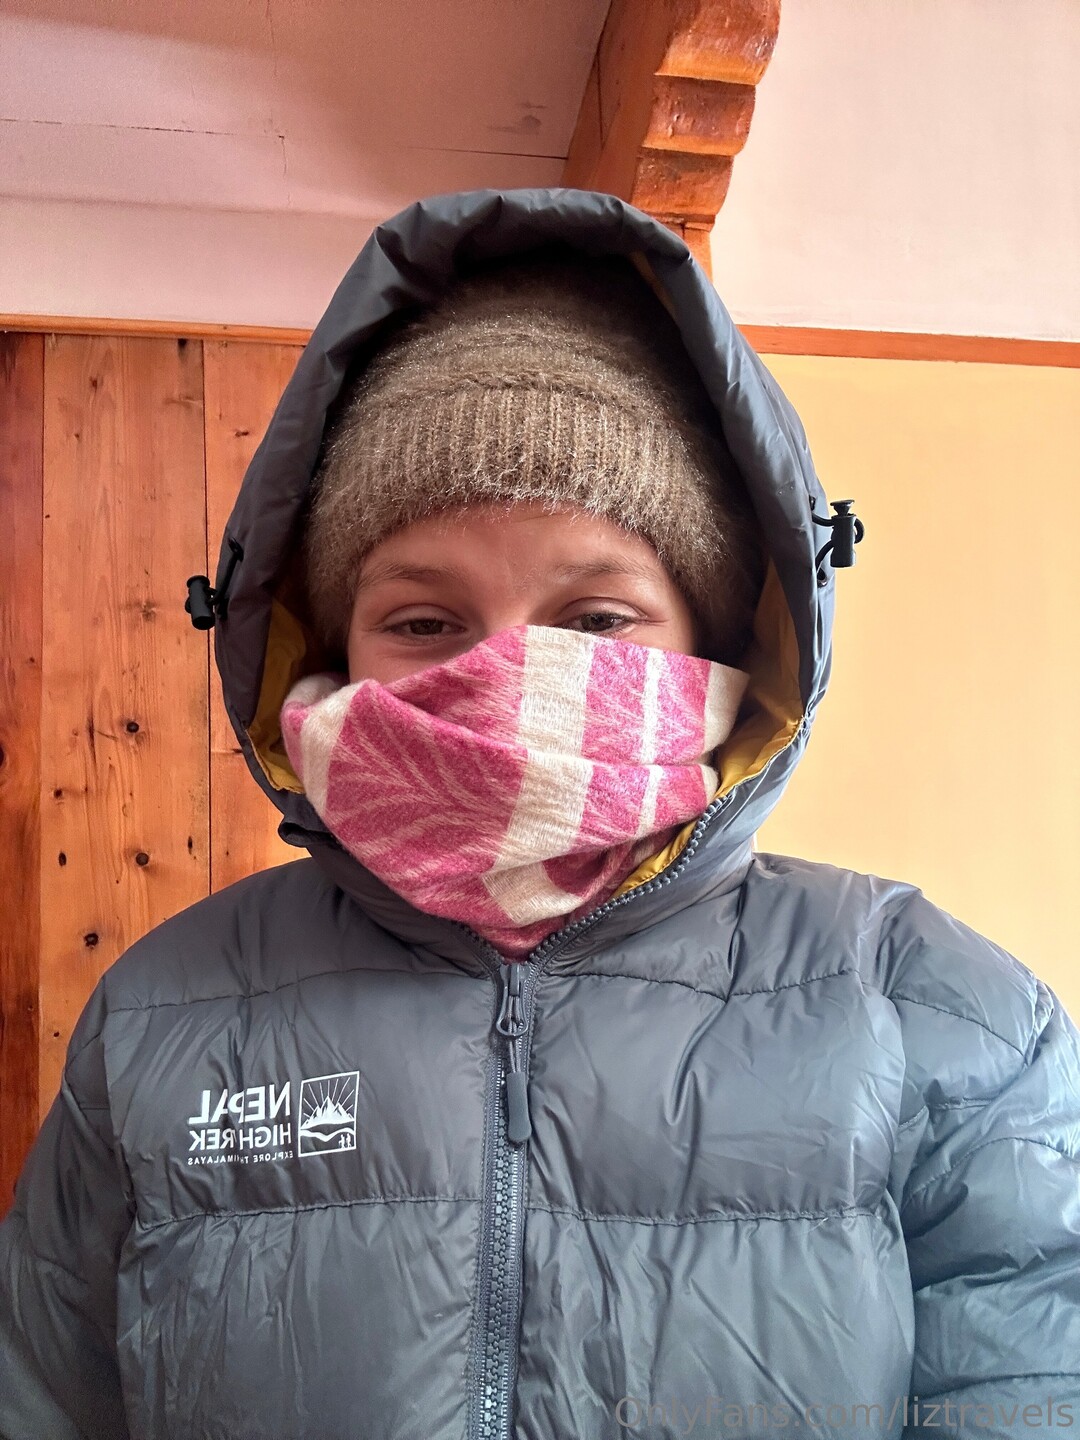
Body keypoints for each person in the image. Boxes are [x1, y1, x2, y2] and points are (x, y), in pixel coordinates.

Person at [1, 187, 1078, 1440]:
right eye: (423, 620)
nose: (506, 674)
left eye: (597, 620)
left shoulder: (938, 1011)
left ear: (716, 636)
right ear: (335, 650)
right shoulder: (160, 1016)